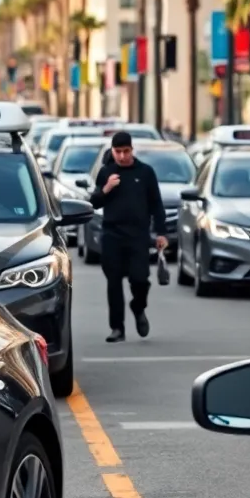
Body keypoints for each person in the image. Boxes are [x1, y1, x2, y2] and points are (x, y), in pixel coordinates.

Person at [88, 131, 168, 342]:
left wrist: (161, 233)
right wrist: (107, 188)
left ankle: (138, 306)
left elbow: (156, 205)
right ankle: (117, 328)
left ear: (132, 150)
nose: (122, 156)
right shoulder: (107, 172)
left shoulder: (145, 172)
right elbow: (94, 202)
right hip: (112, 235)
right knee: (113, 283)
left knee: (140, 280)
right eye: (117, 152)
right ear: (112, 151)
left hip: (138, 236)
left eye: (125, 151)